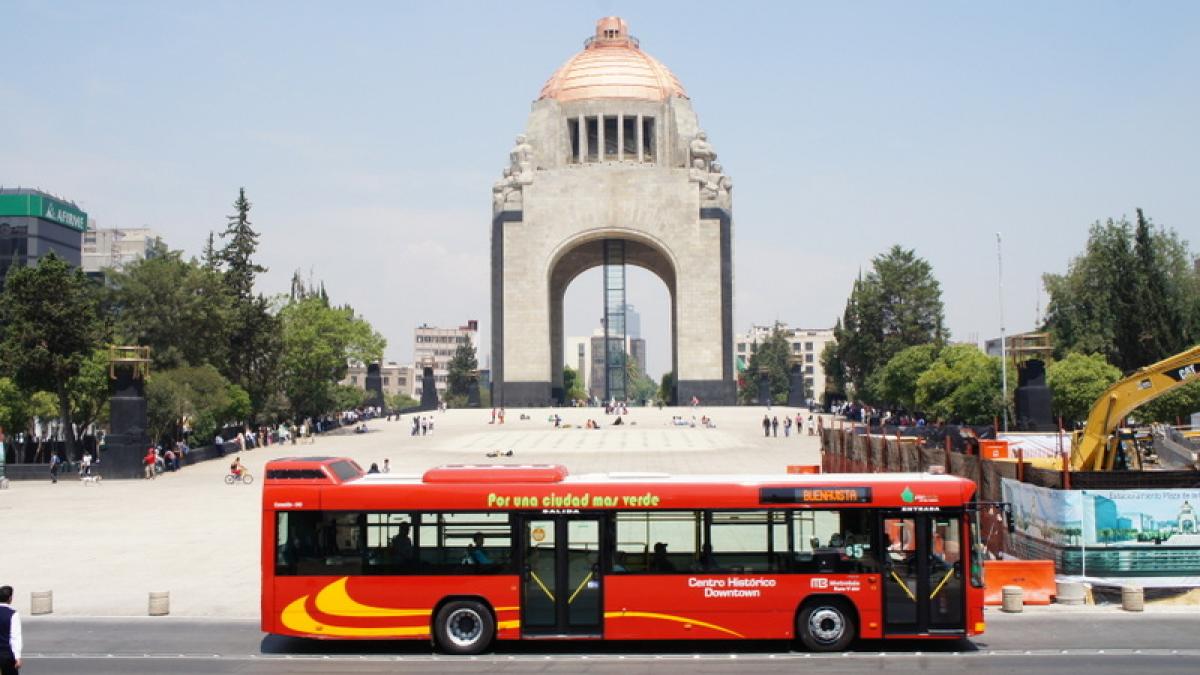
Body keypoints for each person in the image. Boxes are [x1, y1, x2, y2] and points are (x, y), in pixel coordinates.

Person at [0, 585, 22, 675]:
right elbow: (15, 637)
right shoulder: (13, 614)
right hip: (6, 655)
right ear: (10, 598)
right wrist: (18, 657)